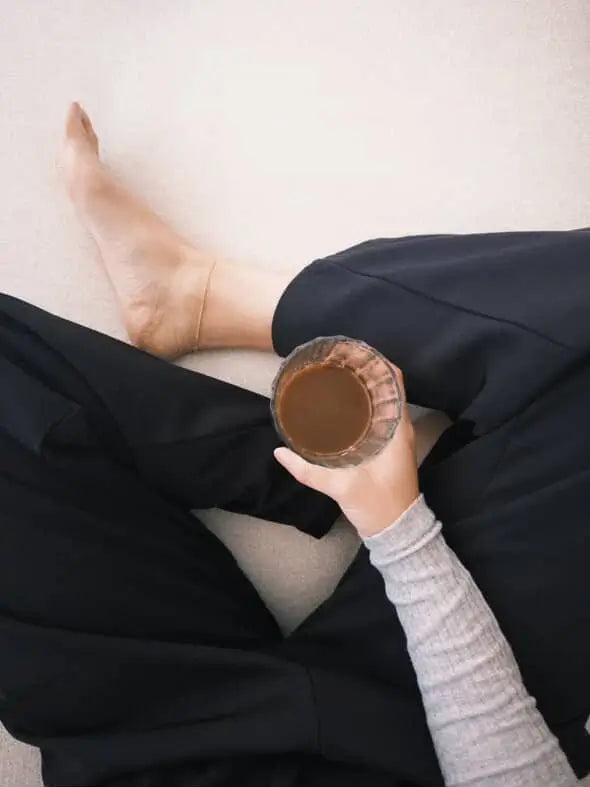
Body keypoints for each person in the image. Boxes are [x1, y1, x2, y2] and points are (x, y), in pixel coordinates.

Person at [0, 103, 587, 787]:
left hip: (163, 751)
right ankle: (297, 425)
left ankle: (325, 436)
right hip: (422, 731)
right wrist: (396, 521)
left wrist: (401, 531)